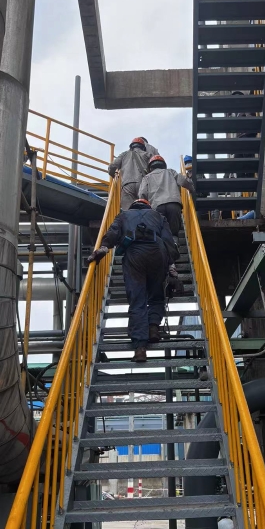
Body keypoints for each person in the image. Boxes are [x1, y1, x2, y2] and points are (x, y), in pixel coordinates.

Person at [87, 199, 179, 363]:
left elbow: (113, 232)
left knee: (137, 300)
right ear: (148, 206)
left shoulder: (124, 215)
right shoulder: (158, 216)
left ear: (133, 206)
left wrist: (103, 248)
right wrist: (172, 267)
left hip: (134, 255)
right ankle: (153, 328)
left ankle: (140, 348)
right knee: (156, 295)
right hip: (157, 253)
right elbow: (168, 241)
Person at [138, 155, 194, 246]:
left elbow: (142, 194)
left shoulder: (147, 177)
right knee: (173, 232)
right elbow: (183, 181)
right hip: (174, 205)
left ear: (150, 167)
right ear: (163, 164)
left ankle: (161, 247)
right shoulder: (171, 172)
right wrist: (191, 189)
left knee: (159, 231)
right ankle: (174, 243)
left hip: (157, 206)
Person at [108, 138, 151, 211]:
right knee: (145, 209)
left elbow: (112, 167)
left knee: (128, 210)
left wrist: (114, 176)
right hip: (143, 184)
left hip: (127, 185)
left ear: (131, 146)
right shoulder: (147, 155)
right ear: (143, 147)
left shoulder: (124, 154)